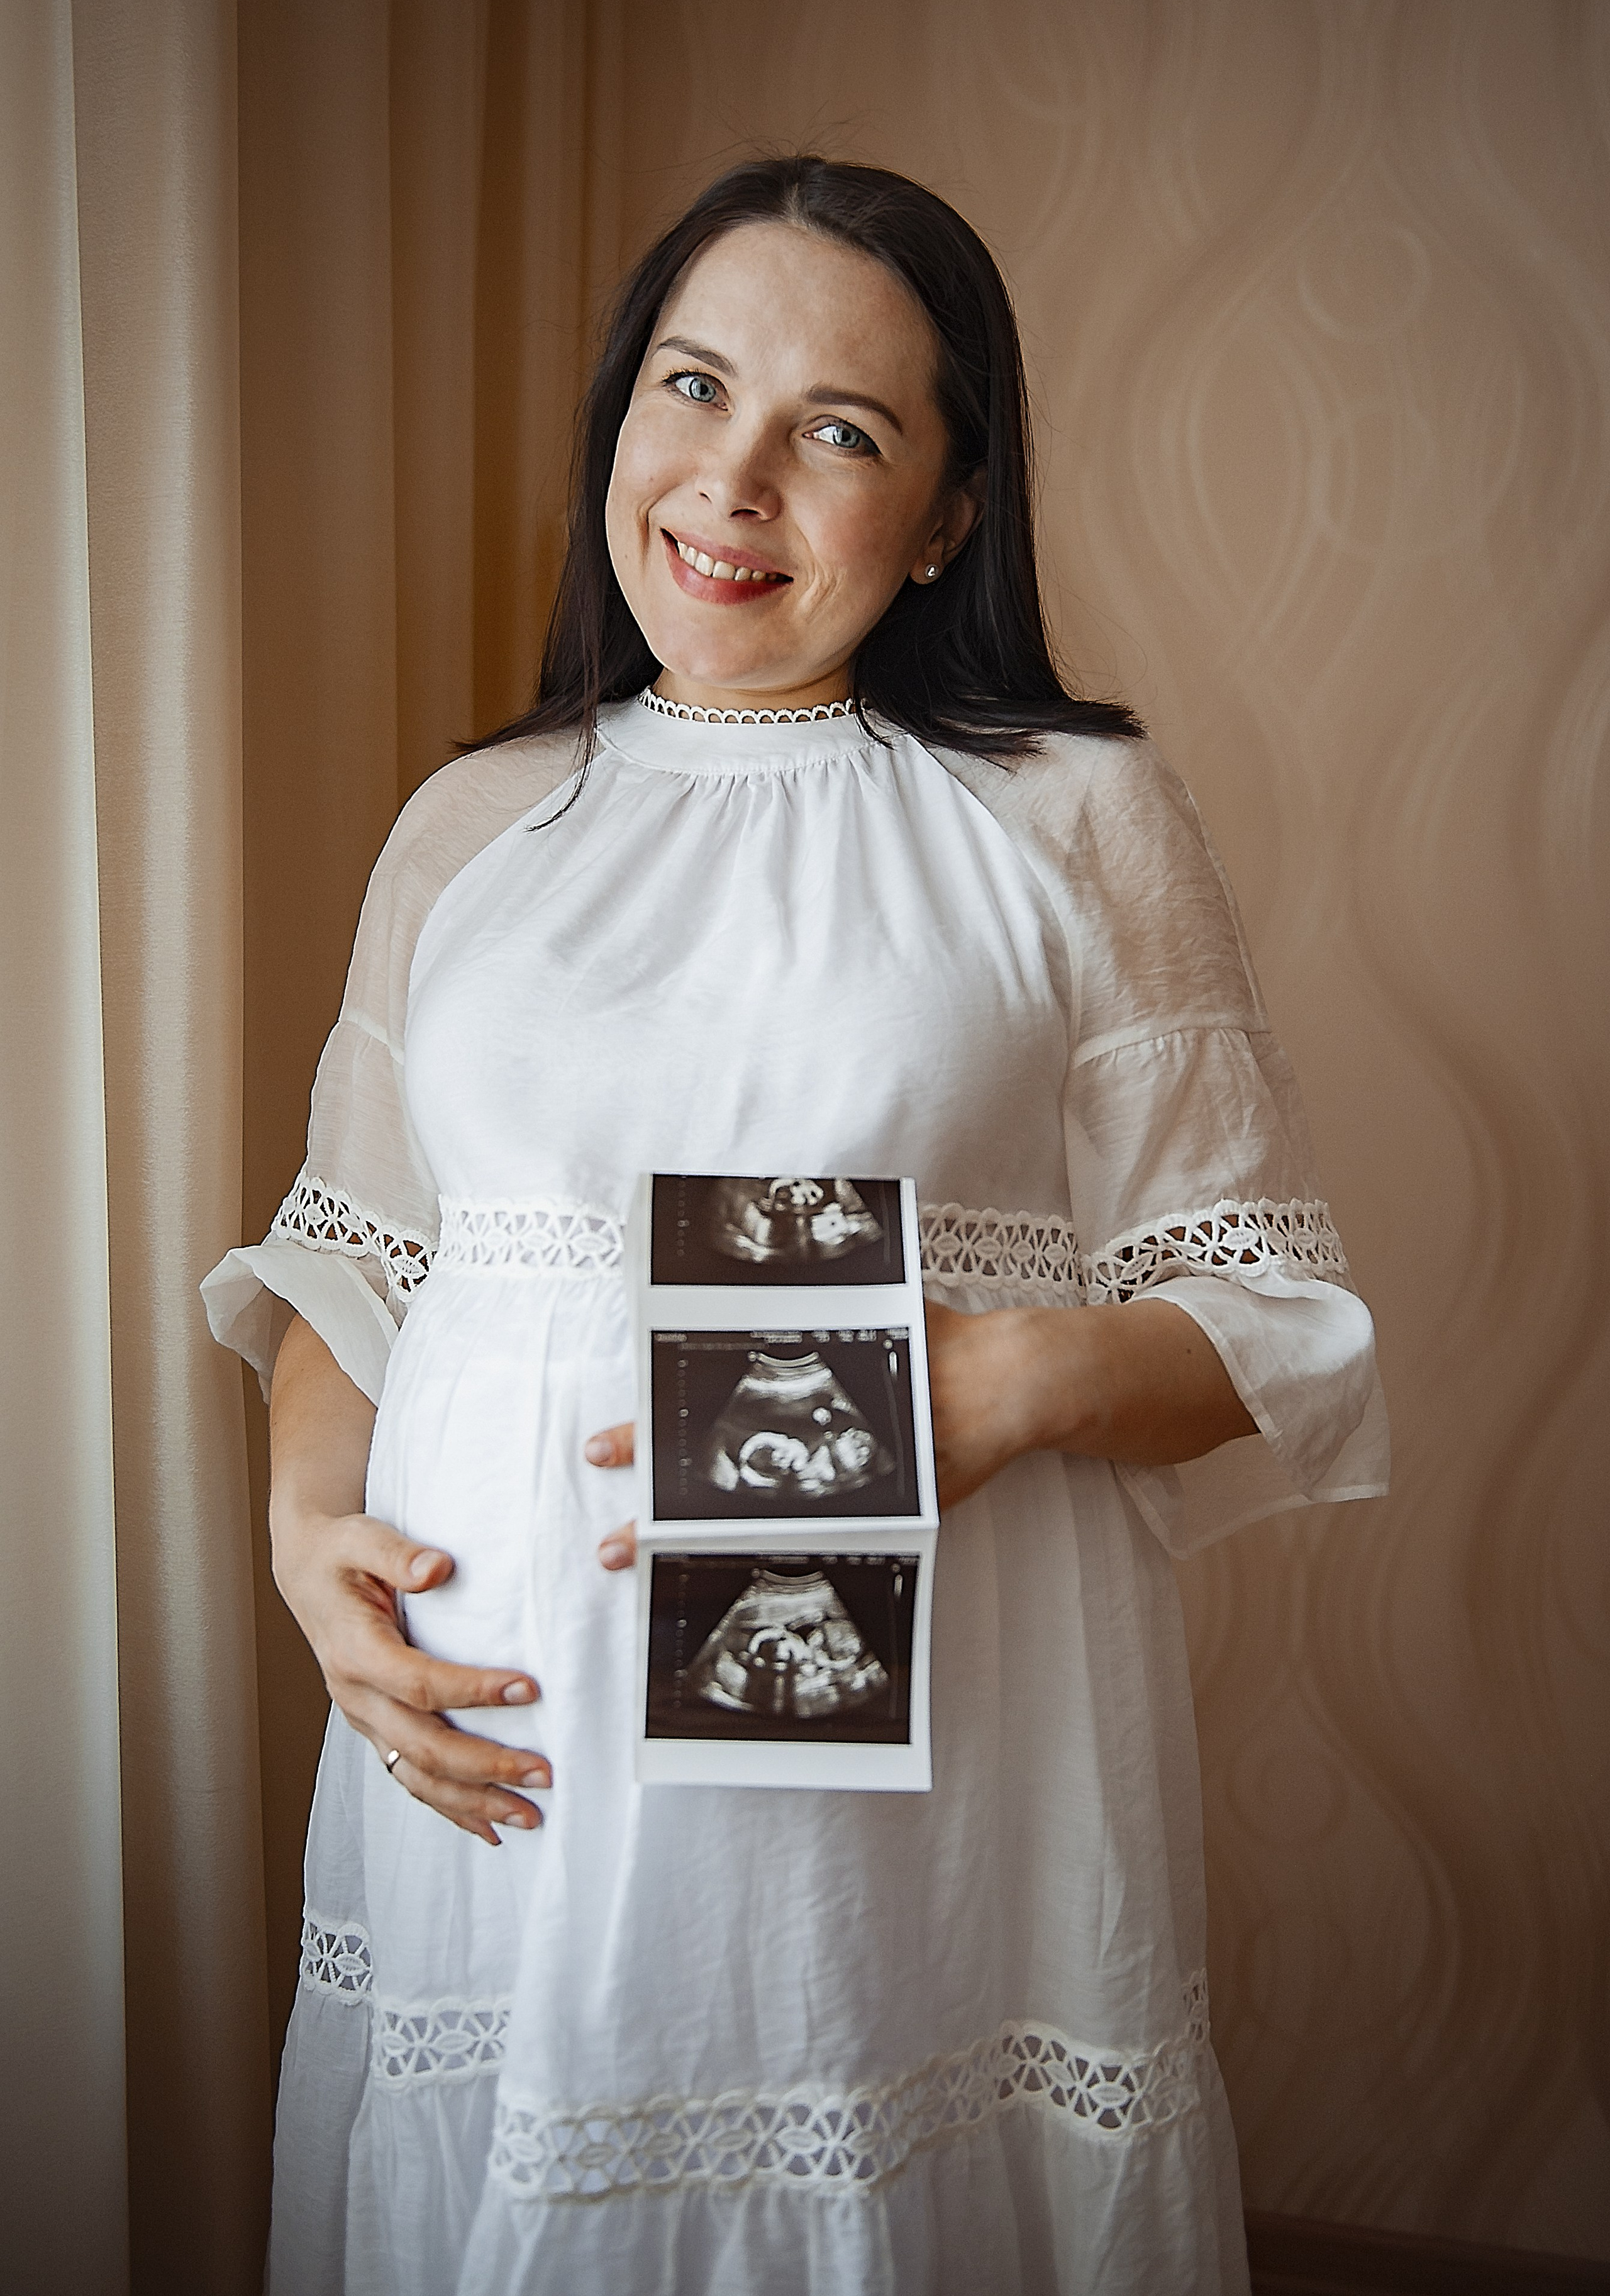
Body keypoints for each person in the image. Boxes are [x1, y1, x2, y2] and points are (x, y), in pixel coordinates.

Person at [204, 154, 1388, 2296]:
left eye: (836, 432)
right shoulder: (473, 826)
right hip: (497, 1761)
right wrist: (305, 1532)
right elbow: (360, 1257)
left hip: (903, 1822)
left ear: (945, 514)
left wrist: (993, 1382)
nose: (728, 480)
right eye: (689, 389)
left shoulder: (1069, 814)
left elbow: (1274, 1320)